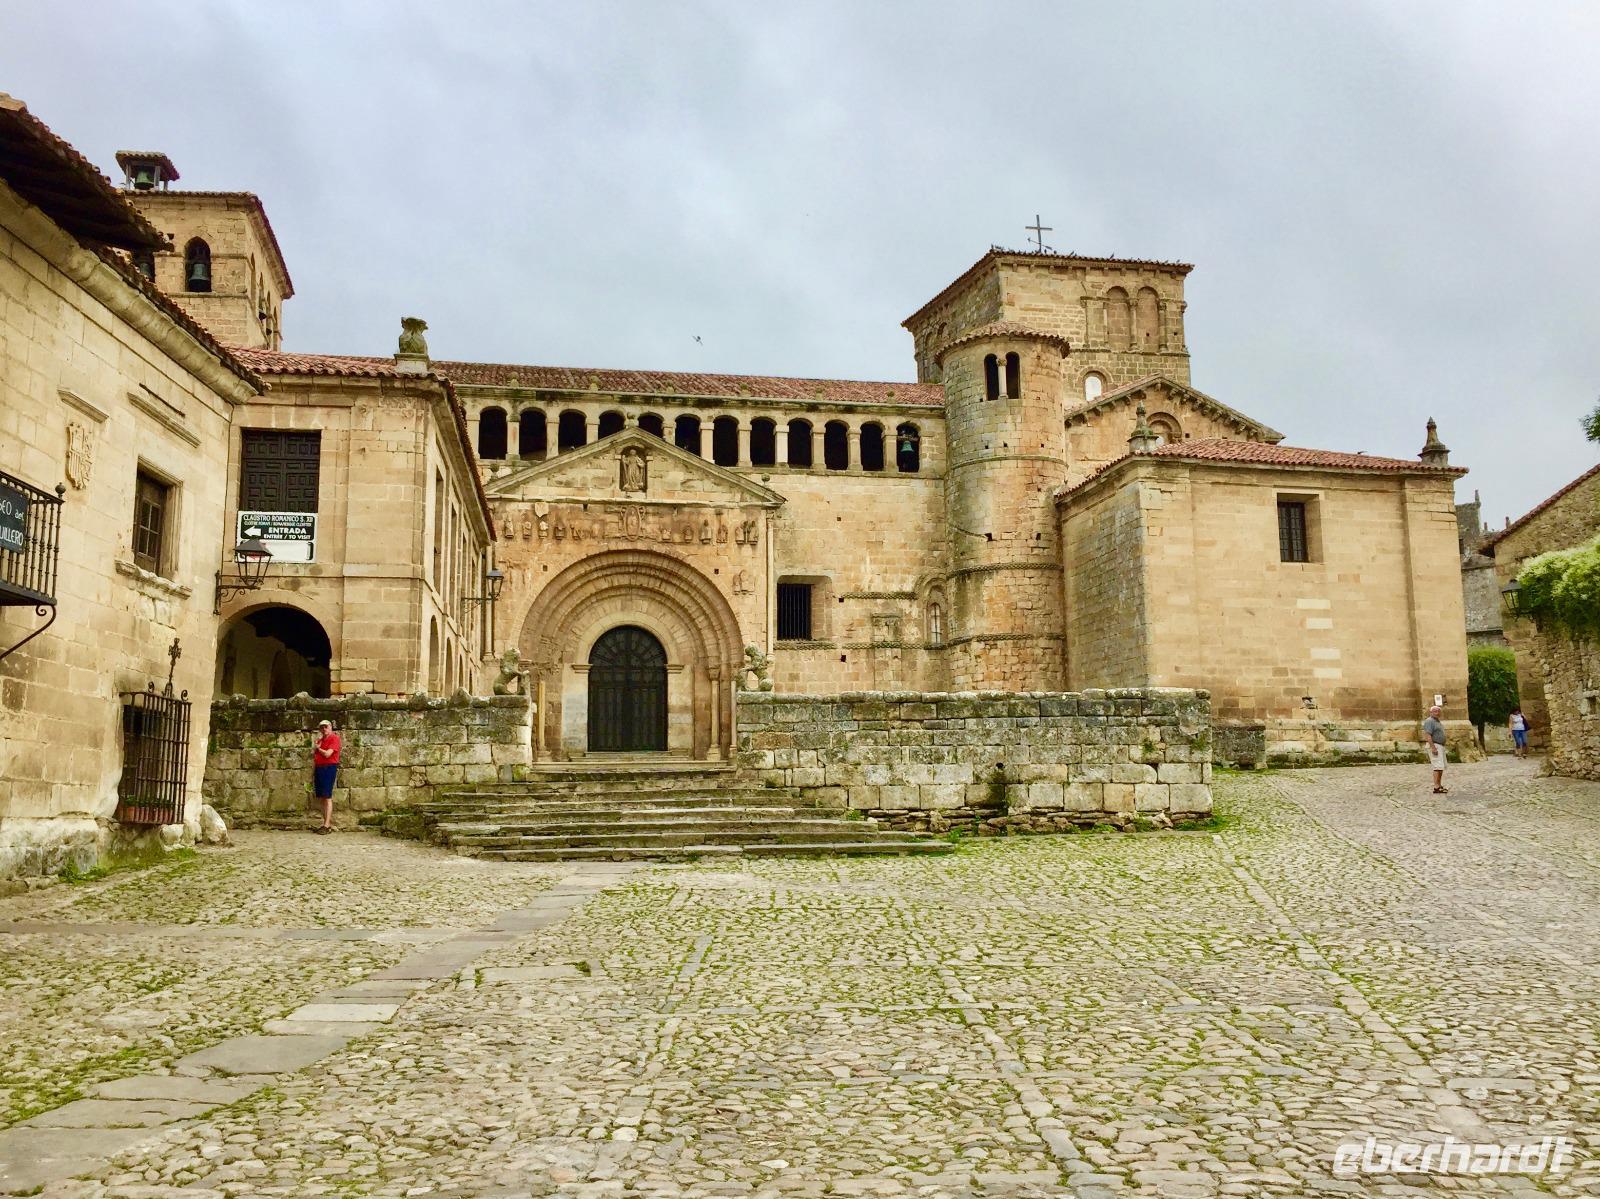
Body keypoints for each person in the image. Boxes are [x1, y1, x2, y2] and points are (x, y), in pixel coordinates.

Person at [311, 719, 341, 833]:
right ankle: (325, 824)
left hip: (328, 767)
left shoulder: (334, 738)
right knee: (322, 797)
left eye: (326, 727)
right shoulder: (320, 740)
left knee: (327, 796)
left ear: (330, 727)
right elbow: (316, 757)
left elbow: (328, 754)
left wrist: (318, 748)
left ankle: (327, 825)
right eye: (322, 727)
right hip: (319, 768)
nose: (324, 729)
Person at [1422, 704, 1448, 794]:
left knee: (1441, 766)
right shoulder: (1429, 721)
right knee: (1437, 766)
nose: (1437, 713)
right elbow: (1428, 735)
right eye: (1435, 711)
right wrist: (1433, 748)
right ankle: (1436, 787)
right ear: (1431, 712)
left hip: (1440, 746)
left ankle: (1439, 785)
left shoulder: (1437, 721)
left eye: (1438, 711)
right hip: (1435, 745)